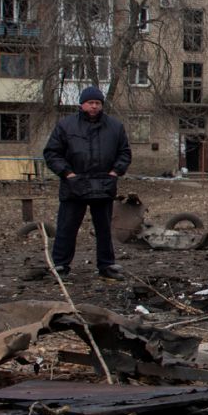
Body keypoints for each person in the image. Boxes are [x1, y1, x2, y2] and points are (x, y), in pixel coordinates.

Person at [40, 85, 131, 279]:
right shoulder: (66, 126)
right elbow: (52, 153)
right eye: (90, 103)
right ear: (82, 104)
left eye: (98, 103)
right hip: (74, 185)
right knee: (67, 227)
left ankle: (106, 266)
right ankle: (61, 265)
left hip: (104, 184)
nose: (94, 107)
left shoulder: (115, 127)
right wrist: (68, 173)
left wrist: (115, 172)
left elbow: (124, 153)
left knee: (104, 228)